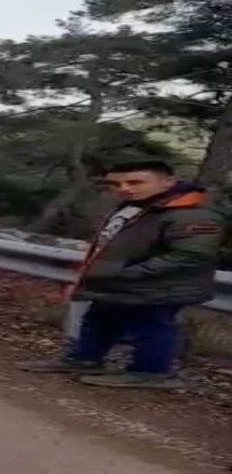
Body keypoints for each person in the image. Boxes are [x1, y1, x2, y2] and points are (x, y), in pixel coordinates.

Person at [19, 161, 225, 389]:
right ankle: (84, 360)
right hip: (120, 281)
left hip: (158, 286)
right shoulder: (136, 207)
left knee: (152, 327)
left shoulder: (192, 214)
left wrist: (129, 273)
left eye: (135, 182)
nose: (124, 188)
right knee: (100, 319)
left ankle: (151, 372)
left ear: (168, 182)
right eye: (116, 184)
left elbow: (189, 255)